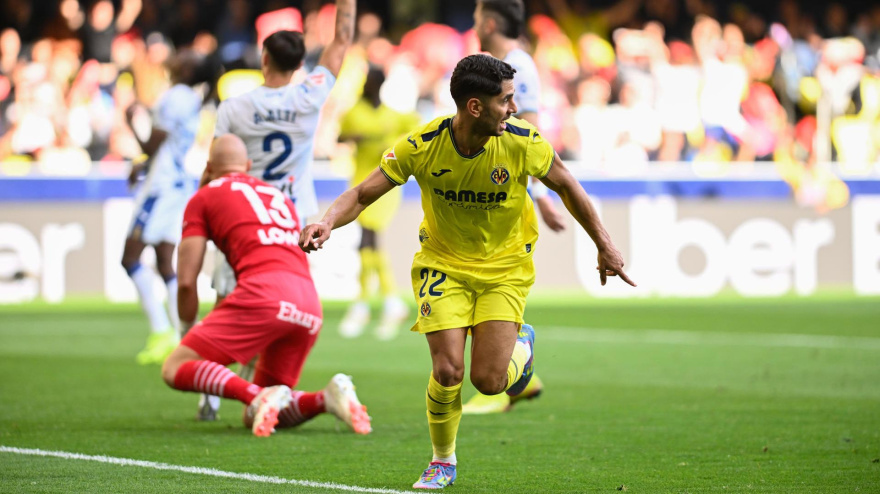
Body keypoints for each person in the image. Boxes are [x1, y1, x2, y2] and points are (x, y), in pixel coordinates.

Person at [300, 54, 634, 489]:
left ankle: (521, 348)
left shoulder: (522, 140)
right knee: (448, 372)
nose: (514, 109)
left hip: (505, 267)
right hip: (443, 264)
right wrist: (327, 221)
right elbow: (363, 194)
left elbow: (567, 184)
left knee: (490, 381)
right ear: (475, 106)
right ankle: (443, 460)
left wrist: (604, 244)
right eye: (506, 100)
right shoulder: (423, 145)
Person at [199, 0, 356, 420]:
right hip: (293, 219)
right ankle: (259, 386)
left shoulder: (235, 107)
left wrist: (203, 207)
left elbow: (214, 165)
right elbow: (342, 40)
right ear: (301, 63)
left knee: (227, 301)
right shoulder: (311, 93)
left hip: (244, 215)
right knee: (279, 302)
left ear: (263, 58)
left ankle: (211, 391)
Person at [161, 134, 371, 437]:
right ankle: (326, 399)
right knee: (255, 416)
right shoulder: (276, 195)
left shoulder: (204, 197)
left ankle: (255, 395)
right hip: (308, 302)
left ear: (208, 168)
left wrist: (185, 333)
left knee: (174, 367)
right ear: (247, 166)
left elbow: (185, 281)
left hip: (264, 295)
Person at [463, 0, 566, 415]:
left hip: (508, 194)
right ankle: (522, 381)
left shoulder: (517, 63)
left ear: (489, 21)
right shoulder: (501, 61)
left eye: (475, 16)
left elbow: (531, 131)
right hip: (489, 188)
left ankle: (506, 376)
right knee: (467, 282)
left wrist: (540, 196)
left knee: (486, 286)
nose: (472, 23)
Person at [121, 49, 202, 365]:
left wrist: (132, 122)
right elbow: (163, 149)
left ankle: (162, 332)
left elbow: (153, 144)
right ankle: (182, 335)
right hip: (175, 185)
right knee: (165, 261)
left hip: (161, 189)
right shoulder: (191, 98)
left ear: (189, 69)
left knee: (129, 258)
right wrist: (142, 164)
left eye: (187, 58)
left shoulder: (176, 96)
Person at [337, 66, 420, 340]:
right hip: (359, 181)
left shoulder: (392, 115)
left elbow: (416, 130)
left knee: (368, 236)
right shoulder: (354, 112)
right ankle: (386, 300)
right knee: (368, 240)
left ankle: (367, 302)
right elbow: (340, 136)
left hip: (386, 184)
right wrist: (355, 138)